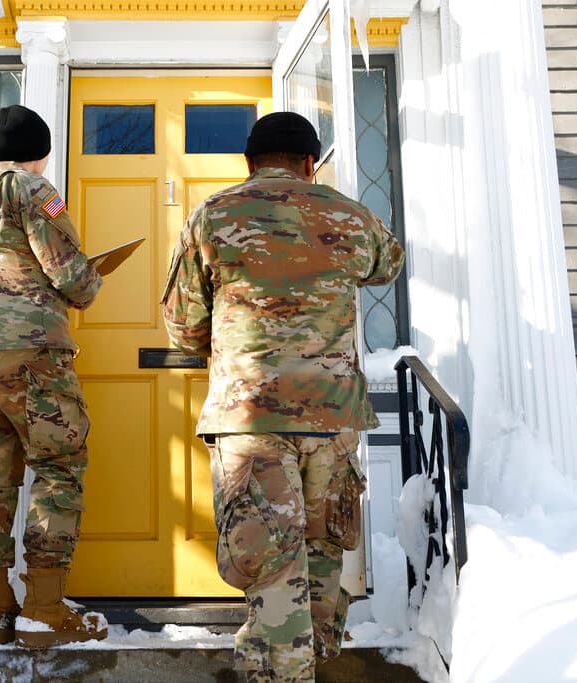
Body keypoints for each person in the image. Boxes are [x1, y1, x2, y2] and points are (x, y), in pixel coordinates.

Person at [162, 111, 405, 682]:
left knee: (271, 569)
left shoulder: (213, 216)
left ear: (249, 163)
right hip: (334, 418)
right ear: (309, 163)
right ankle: (308, 666)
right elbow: (387, 264)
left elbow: (182, 323)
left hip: (251, 419)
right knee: (322, 560)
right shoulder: (348, 214)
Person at [0, 104, 107, 648]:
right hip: (30, 350)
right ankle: (43, 607)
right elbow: (70, 276)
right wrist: (93, 277)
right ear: (42, 152)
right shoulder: (37, 192)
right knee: (58, 468)